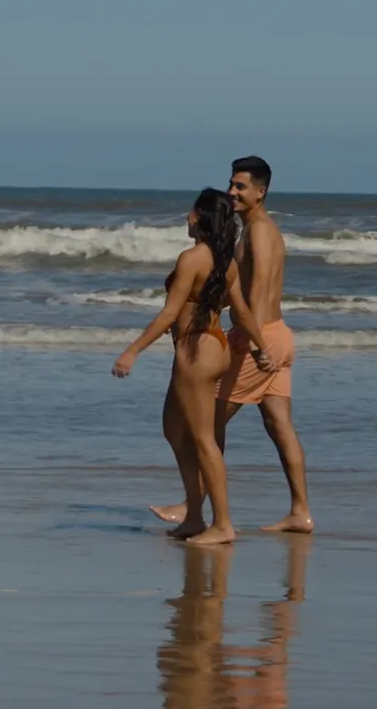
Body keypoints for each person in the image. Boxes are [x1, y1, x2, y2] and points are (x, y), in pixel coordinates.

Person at [154, 156, 314, 534]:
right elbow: (239, 291)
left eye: (241, 187)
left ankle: (197, 508)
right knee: (280, 425)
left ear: (262, 192)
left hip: (259, 336)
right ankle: (300, 512)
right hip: (279, 334)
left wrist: (246, 337)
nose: (233, 192)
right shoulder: (267, 230)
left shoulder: (256, 232)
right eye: (231, 185)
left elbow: (255, 290)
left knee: (205, 423)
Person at [111, 187, 250, 545]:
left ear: (202, 217)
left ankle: (222, 524)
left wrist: (133, 350)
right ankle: (194, 517)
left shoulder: (192, 258)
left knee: (204, 440)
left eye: (191, 211)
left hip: (196, 352)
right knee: (174, 428)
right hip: (212, 347)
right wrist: (262, 349)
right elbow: (241, 310)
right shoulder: (226, 262)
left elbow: (170, 313)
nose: (187, 217)